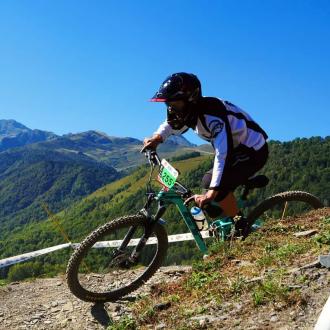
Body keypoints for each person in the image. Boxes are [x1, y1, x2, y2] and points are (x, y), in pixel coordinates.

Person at [143, 72, 269, 234]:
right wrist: (157, 138)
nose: (171, 109)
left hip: (253, 150)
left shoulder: (211, 115)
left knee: (216, 189)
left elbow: (223, 153)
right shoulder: (191, 112)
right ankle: (229, 217)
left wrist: (212, 193)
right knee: (207, 182)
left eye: (175, 104)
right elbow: (171, 125)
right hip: (236, 150)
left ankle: (241, 225)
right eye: (168, 104)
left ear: (190, 99)